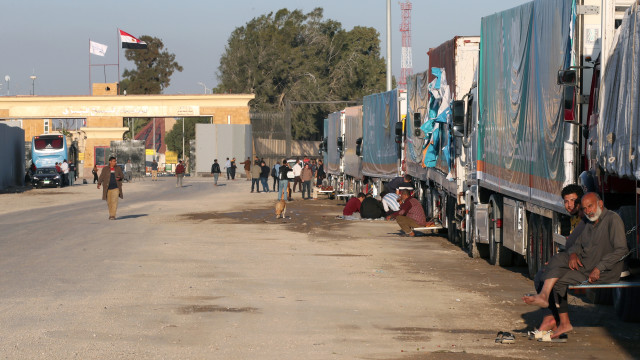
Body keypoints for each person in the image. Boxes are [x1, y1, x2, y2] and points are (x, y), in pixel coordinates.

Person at [523, 192, 628, 339]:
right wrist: (572, 254)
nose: (588, 211)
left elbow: (621, 250)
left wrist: (600, 268)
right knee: (557, 266)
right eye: (584, 208)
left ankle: (544, 297)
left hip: (603, 271)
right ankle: (563, 321)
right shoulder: (590, 222)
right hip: (585, 267)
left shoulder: (612, 219)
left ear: (600, 204)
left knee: (555, 264)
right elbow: (577, 244)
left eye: (590, 206)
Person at [532, 184, 585, 336]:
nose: (570, 205)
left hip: (581, 263)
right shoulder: (575, 219)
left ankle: (554, 319)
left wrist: (558, 262)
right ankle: (551, 318)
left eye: (574, 201)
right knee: (541, 276)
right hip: (571, 260)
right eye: (566, 201)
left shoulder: (585, 220)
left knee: (545, 276)